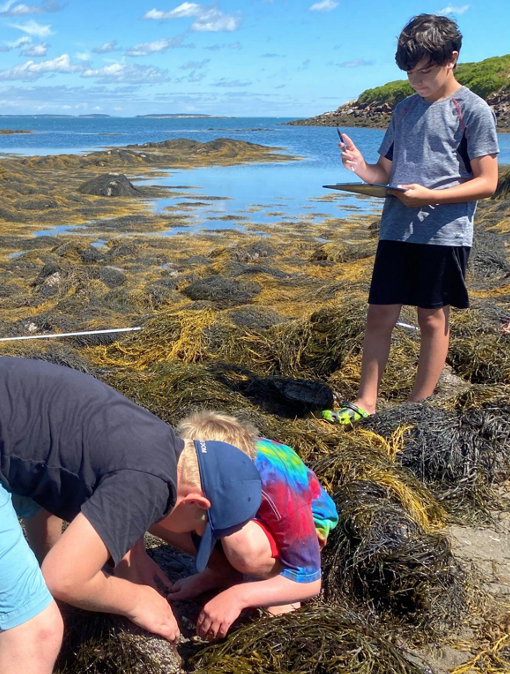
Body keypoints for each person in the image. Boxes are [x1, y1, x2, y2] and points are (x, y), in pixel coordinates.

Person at [0, 357, 262, 674]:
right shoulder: (150, 483)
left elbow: (90, 485)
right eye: (201, 532)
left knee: (54, 528)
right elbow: (61, 578)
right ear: (197, 502)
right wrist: (136, 600)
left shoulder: (163, 446)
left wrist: (134, 557)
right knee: (37, 631)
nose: (190, 539)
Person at [321, 14, 500, 424]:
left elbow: (488, 182)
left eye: (426, 71)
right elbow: (384, 174)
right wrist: (360, 168)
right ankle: (365, 402)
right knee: (379, 313)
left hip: (444, 233)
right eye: (409, 73)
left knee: (432, 318)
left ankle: (416, 409)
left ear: (452, 58)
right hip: (396, 228)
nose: (417, 81)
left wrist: (431, 197)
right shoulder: (403, 110)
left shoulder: (472, 109)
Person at [159, 411, 338, 640]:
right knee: (161, 511)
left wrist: (238, 596)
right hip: (232, 506)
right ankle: (222, 572)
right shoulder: (198, 469)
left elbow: (310, 579)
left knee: (242, 545)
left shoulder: (276, 483)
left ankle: (276, 582)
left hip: (303, 522)